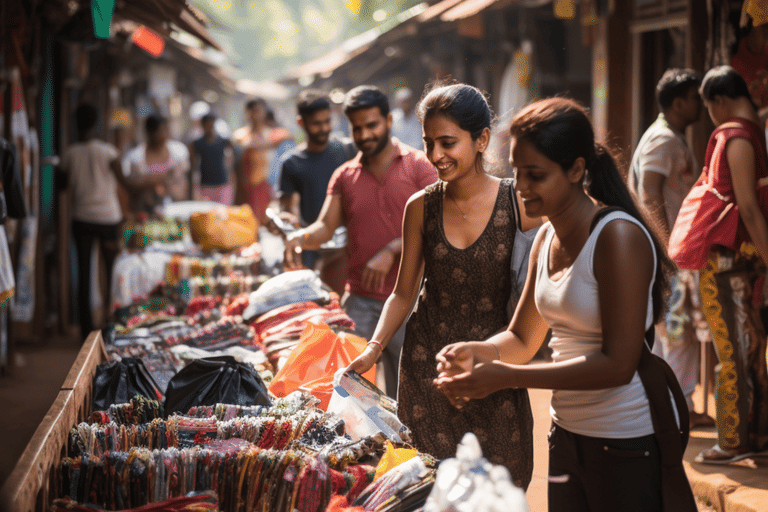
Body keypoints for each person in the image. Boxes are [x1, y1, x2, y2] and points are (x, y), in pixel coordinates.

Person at [434, 97, 680, 511]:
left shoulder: (617, 238)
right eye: (516, 172)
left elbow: (619, 364)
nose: (522, 186)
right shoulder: (546, 238)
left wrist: (507, 377)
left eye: (536, 175)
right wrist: (477, 352)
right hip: (566, 436)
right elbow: (522, 337)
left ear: (577, 170)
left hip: (624, 442)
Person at [346, 83, 536, 488]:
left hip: (496, 371)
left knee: (500, 489)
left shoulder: (518, 204)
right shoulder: (420, 207)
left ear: (482, 139)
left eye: (448, 143)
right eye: (430, 143)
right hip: (427, 371)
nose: (435, 156)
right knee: (428, 488)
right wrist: (373, 348)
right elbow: (403, 292)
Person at [283, 85, 437, 398]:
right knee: (348, 397)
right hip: (361, 304)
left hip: (412, 304)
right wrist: (299, 237)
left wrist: (393, 250)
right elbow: (324, 228)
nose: (364, 134)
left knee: (405, 401)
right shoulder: (344, 176)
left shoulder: (419, 167)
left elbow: (436, 227)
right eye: (357, 128)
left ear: (389, 120)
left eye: (372, 125)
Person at [685, 66, 768, 463]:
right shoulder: (756, 133)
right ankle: (759, 436)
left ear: (718, 101)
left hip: (726, 264)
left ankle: (733, 441)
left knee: (731, 351)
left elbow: (749, 210)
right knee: (751, 349)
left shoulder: (733, 138)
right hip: (747, 265)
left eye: (709, 107)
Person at [628, 68, 713, 429]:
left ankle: (669, 407)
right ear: (678, 103)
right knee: (677, 335)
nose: (701, 104)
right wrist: (665, 251)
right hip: (670, 255)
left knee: (669, 334)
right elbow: (649, 194)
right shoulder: (663, 140)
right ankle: (679, 409)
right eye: (695, 98)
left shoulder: (665, 136)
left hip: (669, 253)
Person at [60, 104, 170, 337]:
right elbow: (128, 184)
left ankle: (85, 332)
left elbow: (61, 185)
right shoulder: (108, 152)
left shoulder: (69, 154)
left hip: (81, 218)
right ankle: (113, 324)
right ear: (95, 124)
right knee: (112, 273)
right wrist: (154, 181)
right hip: (108, 219)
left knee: (83, 273)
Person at [278, 90, 356, 292]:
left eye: (327, 121)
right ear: (301, 123)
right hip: (312, 247)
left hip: (347, 246)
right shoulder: (292, 163)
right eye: (316, 123)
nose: (324, 128)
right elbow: (287, 210)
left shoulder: (347, 150)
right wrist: (285, 222)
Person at [233, 98, 291, 224]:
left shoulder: (272, 133)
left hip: (265, 184)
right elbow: (243, 143)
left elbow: (287, 136)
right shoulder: (242, 135)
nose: (257, 114)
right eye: (254, 111)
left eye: (260, 110)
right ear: (248, 112)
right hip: (244, 186)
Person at [124, 115, 190, 214]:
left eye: (165, 130)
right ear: (149, 132)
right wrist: (163, 177)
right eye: (160, 131)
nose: (164, 135)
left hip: (176, 207)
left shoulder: (178, 151)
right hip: (146, 211)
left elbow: (185, 180)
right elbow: (133, 186)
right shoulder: (136, 157)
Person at [190, 113, 235, 205]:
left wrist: (230, 169)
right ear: (202, 125)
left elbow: (233, 154)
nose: (210, 127)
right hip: (205, 184)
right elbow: (193, 165)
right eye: (207, 124)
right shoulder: (197, 143)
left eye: (212, 124)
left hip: (222, 183)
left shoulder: (223, 141)